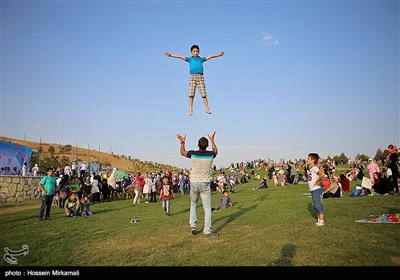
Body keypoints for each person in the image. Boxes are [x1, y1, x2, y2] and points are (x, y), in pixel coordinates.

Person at [177, 131, 218, 238]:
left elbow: (182, 152)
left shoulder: (192, 154)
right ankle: (207, 231)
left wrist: (182, 142)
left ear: (198, 145)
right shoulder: (210, 155)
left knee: (193, 205)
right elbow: (216, 151)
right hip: (205, 184)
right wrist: (212, 140)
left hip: (194, 183)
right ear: (207, 146)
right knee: (207, 208)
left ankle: (193, 226)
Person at [164, 45, 224, 116]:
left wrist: (219, 55)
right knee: (191, 95)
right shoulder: (190, 59)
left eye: (197, 51)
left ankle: (207, 108)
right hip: (192, 77)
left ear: (199, 52)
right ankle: (190, 109)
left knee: (204, 94)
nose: (196, 52)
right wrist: (171, 55)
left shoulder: (201, 59)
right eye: (194, 51)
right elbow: (180, 57)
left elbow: (210, 56)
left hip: (200, 77)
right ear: (191, 52)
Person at [307, 153, 326, 226]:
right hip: (312, 190)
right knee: (315, 205)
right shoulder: (311, 168)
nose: (307, 160)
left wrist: (316, 181)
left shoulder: (315, 168)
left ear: (313, 160)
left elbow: (322, 174)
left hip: (316, 189)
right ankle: (318, 220)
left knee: (318, 205)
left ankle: (321, 221)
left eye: (308, 159)